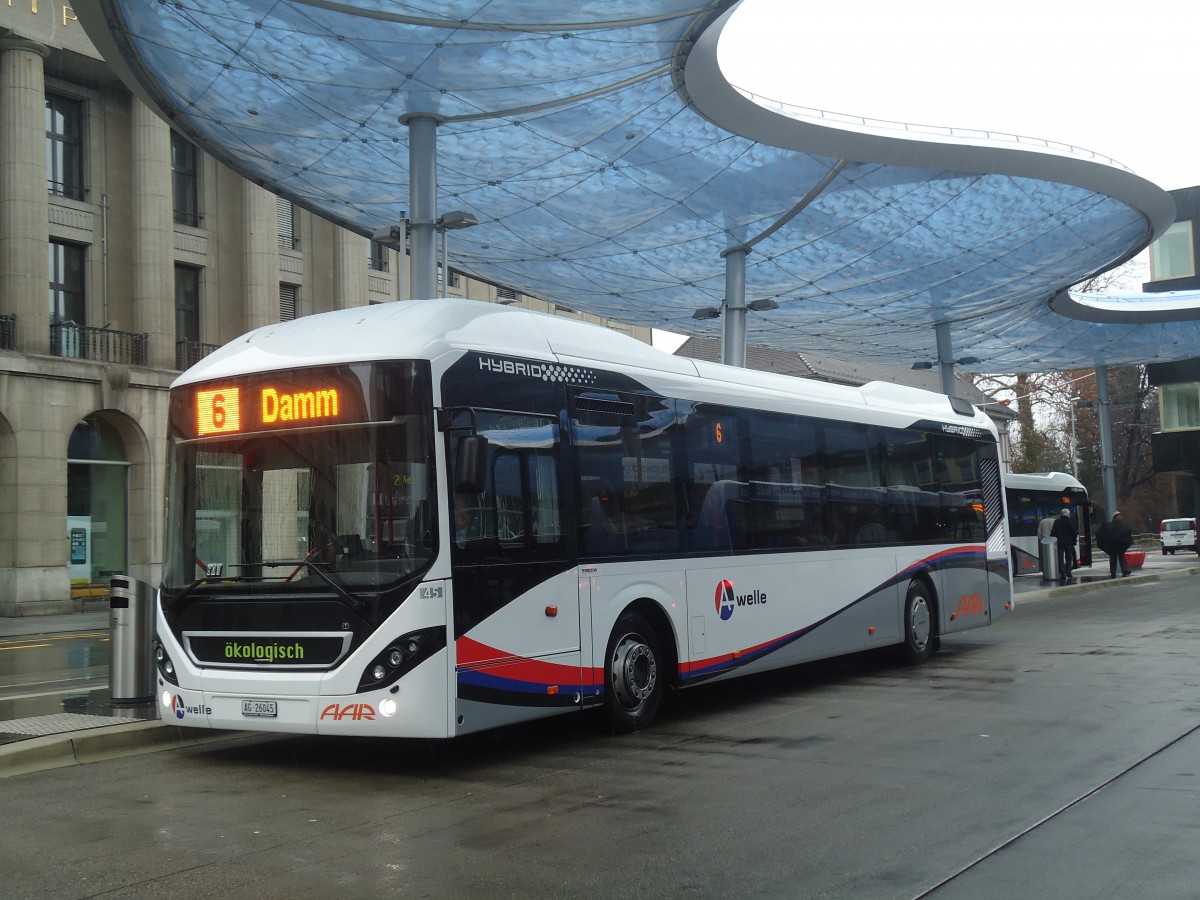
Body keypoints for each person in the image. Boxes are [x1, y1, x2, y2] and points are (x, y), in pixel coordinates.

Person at [1095, 511, 1134, 578]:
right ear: (1115, 517)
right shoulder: (1120, 526)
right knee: (1118, 558)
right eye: (1118, 516)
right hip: (1118, 545)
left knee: (1116, 558)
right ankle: (1120, 571)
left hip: (1113, 545)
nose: (1120, 517)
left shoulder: (1110, 526)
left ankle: (1116, 572)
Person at [1050, 507, 1078, 584]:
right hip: (1069, 542)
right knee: (1069, 557)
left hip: (1059, 542)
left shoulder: (1057, 521)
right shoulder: (1071, 522)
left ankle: (1062, 573)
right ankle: (1068, 572)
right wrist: (1074, 541)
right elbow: (1074, 533)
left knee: (1060, 557)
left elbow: (1053, 532)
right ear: (1068, 514)